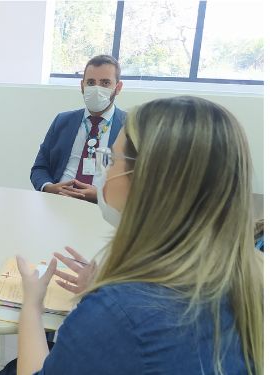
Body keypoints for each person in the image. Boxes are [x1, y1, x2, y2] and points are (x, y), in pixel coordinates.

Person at [14, 96, 263, 374]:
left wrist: (32, 303)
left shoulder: (116, 313)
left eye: (110, 161)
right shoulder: (251, 272)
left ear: (147, 180)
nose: (105, 171)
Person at [30, 55, 125, 203]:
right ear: (82, 86)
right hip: (58, 202)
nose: (96, 89)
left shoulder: (134, 128)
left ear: (118, 88)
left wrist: (102, 195)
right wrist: (49, 187)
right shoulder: (62, 121)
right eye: (91, 82)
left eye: (105, 83)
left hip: (104, 209)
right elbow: (39, 168)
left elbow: (143, 183)